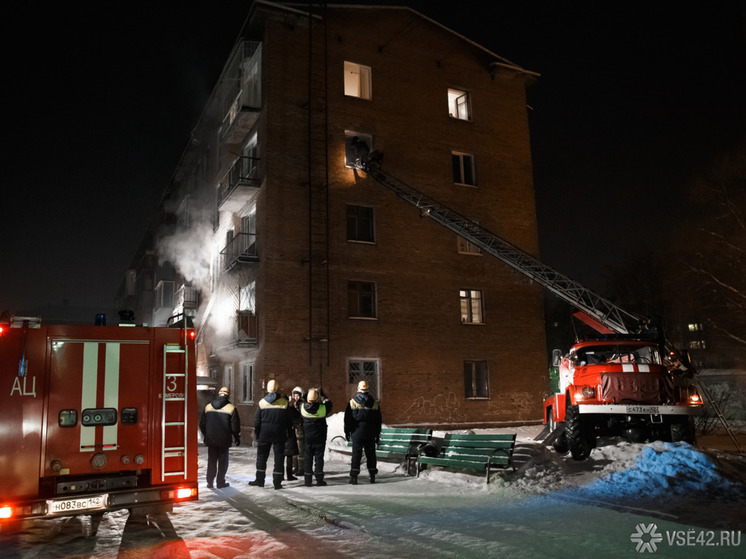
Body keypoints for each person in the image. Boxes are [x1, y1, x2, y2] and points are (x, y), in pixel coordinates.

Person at [249, 379, 291, 489]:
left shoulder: (262, 403)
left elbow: (257, 421)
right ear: (278, 389)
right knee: (279, 458)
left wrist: (257, 433)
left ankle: (260, 480)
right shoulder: (284, 403)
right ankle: (277, 482)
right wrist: (289, 434)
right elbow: (288, 421)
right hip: (279, 433)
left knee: (262, 457)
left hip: (264, 434)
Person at [199, 386, 241, 489]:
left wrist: (206, 435)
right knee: (223, 462)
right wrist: (237, 438)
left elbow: (202, 424)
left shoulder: (208, 407)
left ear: (219, 395)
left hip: (211, 440)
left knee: (211, 461)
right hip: (224, 440)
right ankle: (220, 482)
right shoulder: (231, 408)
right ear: (228, 396)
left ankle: (210, 482)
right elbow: (235, 427)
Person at [344, 380, 382, 485]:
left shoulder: (352, 402)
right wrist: (377, 434)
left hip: (357, 432)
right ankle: (372, 475)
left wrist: (348, 431)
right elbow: (378, 420)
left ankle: (354, 477)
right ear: (368, 390)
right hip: (370, 432)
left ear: (358, 390)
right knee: (371, 454)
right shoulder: (374, 403)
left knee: (356, 454)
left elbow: (348, 419)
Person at [300, 387, 332, 487]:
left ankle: (308, 480)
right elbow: (329, 404)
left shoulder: (302, 408)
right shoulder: (323, 409)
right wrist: (323, 396)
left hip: (308, 438)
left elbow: (301, 402)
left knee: (308, 458)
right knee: (319, 458)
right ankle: (319, 479)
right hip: (320, 437)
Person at [288, 386, 305, 479]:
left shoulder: (302, 404)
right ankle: (296, 466)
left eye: (298, 395)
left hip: (300, 429)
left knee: (301, 449)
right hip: (293, 429)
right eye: (295, 395)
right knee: (294, 449)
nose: (296, 397)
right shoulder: (291, 404)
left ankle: (302, 468)